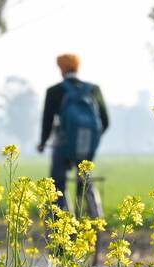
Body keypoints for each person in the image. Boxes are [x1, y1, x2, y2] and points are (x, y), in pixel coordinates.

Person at [38, 53, 109, 217]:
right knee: (85, 179)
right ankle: (95, 215)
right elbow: (105, 121)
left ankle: (61, 218)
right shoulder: (93, 89)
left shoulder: (54, 91)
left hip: (63, 148)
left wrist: (42, 142)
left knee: (57, 182)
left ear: (61, 70)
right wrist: (92, 140)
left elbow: (47, 121)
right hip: (87, 147)